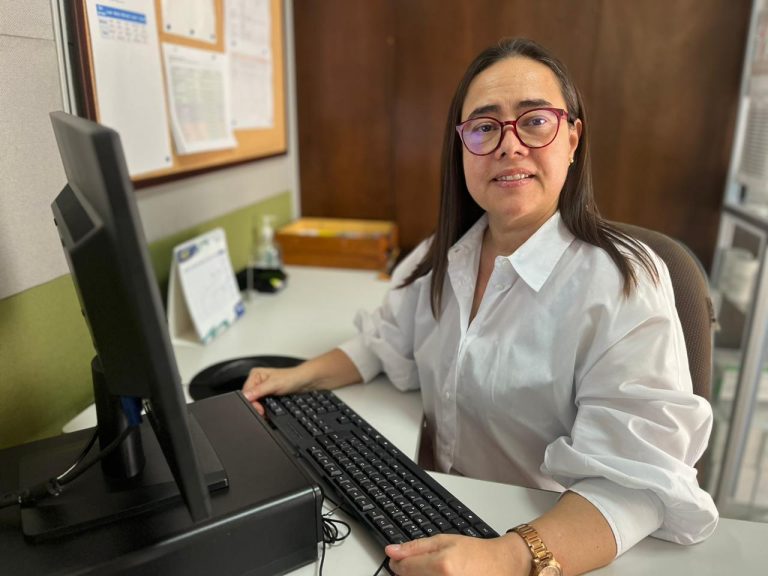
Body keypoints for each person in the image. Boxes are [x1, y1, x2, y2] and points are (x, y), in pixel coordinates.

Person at [242, 37, 718, 576]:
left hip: (547, 535)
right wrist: (296, 376)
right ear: (462, 147)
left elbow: (636, 485)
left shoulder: (623, 282)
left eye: (534, 121)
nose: (509, 146)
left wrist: (506, 557)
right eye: (484, 127)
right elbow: (384, 341)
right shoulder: (443, 255)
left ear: (572, 139)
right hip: (441, 507)